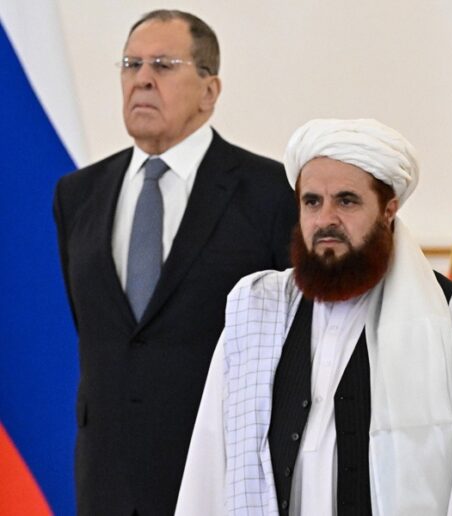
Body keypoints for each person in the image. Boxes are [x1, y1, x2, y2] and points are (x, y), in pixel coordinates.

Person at [175, 118, 452, 515]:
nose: (325, 219)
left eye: (346, 201)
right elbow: (210, 461)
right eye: (312, 202)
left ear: (388, 210)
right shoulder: (257, 310)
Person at [53, 10, 297, 515]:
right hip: (106, 486)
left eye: (163, 65)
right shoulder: (77, 194)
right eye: (131, 64)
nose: (142, 79)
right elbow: (97, 330)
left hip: (220, 481)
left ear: (209, 90)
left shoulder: (270, 192)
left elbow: (292, 346)